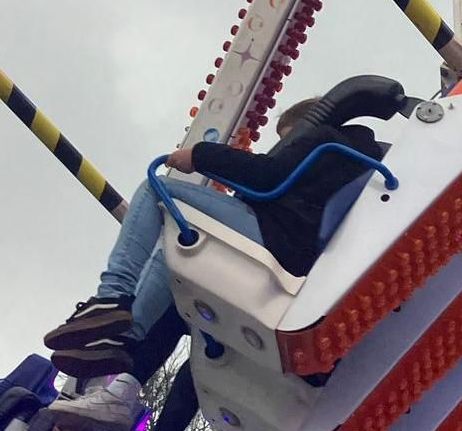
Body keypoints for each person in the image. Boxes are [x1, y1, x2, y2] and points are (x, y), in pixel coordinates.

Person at [43, 91, 389, 379]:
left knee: (157, 190)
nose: (285, 147)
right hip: (295, 245)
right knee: (174, 245)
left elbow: (267, 175)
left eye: (287, 140)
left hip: (277, 236)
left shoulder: (322, 140)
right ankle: (124, 336)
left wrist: (200, 156)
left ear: (305, 127)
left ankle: (112, 296)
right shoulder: (353, 160)